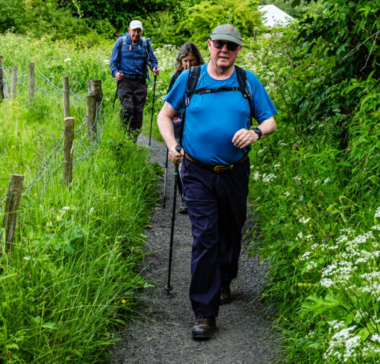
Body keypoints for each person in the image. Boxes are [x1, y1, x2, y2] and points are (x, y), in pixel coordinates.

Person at [157, 24, 277, 341]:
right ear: (209, 45)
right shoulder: (190, 78)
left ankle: (225, 278)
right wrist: (172, 146)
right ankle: (204, 314)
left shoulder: (247, 81)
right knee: (205, 237)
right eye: (219, 44)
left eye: (231, 46)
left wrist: (256, 132)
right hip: (196, 172)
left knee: (230, 230)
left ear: (238, 51)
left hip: (235, 171)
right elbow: (164, 116)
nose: (224, 50)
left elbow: (270, 120)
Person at [168, 42, 205, 215]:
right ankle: (184, 197)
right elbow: (168, 105)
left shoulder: (204, 76)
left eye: (191, 61)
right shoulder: (177, 78)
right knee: (179, 156)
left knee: (194, 158)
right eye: (185, 61)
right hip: (178, 121)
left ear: (197, 60)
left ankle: (193, 196)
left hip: (196, 122)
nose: (188, 65)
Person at [109, 20, 160, 141]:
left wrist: (154, 68)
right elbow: (113, 62)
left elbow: (152, 60)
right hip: (125, 81)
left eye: (138, 31)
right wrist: (116, 73)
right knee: (127, 108)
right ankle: (121, 133)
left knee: (138, 111)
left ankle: (133, 139)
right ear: (129, 30)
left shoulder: (145, 44)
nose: (136, 34)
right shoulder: (121, 43)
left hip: (140, 82)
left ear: (141, 32)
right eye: (134, 31)